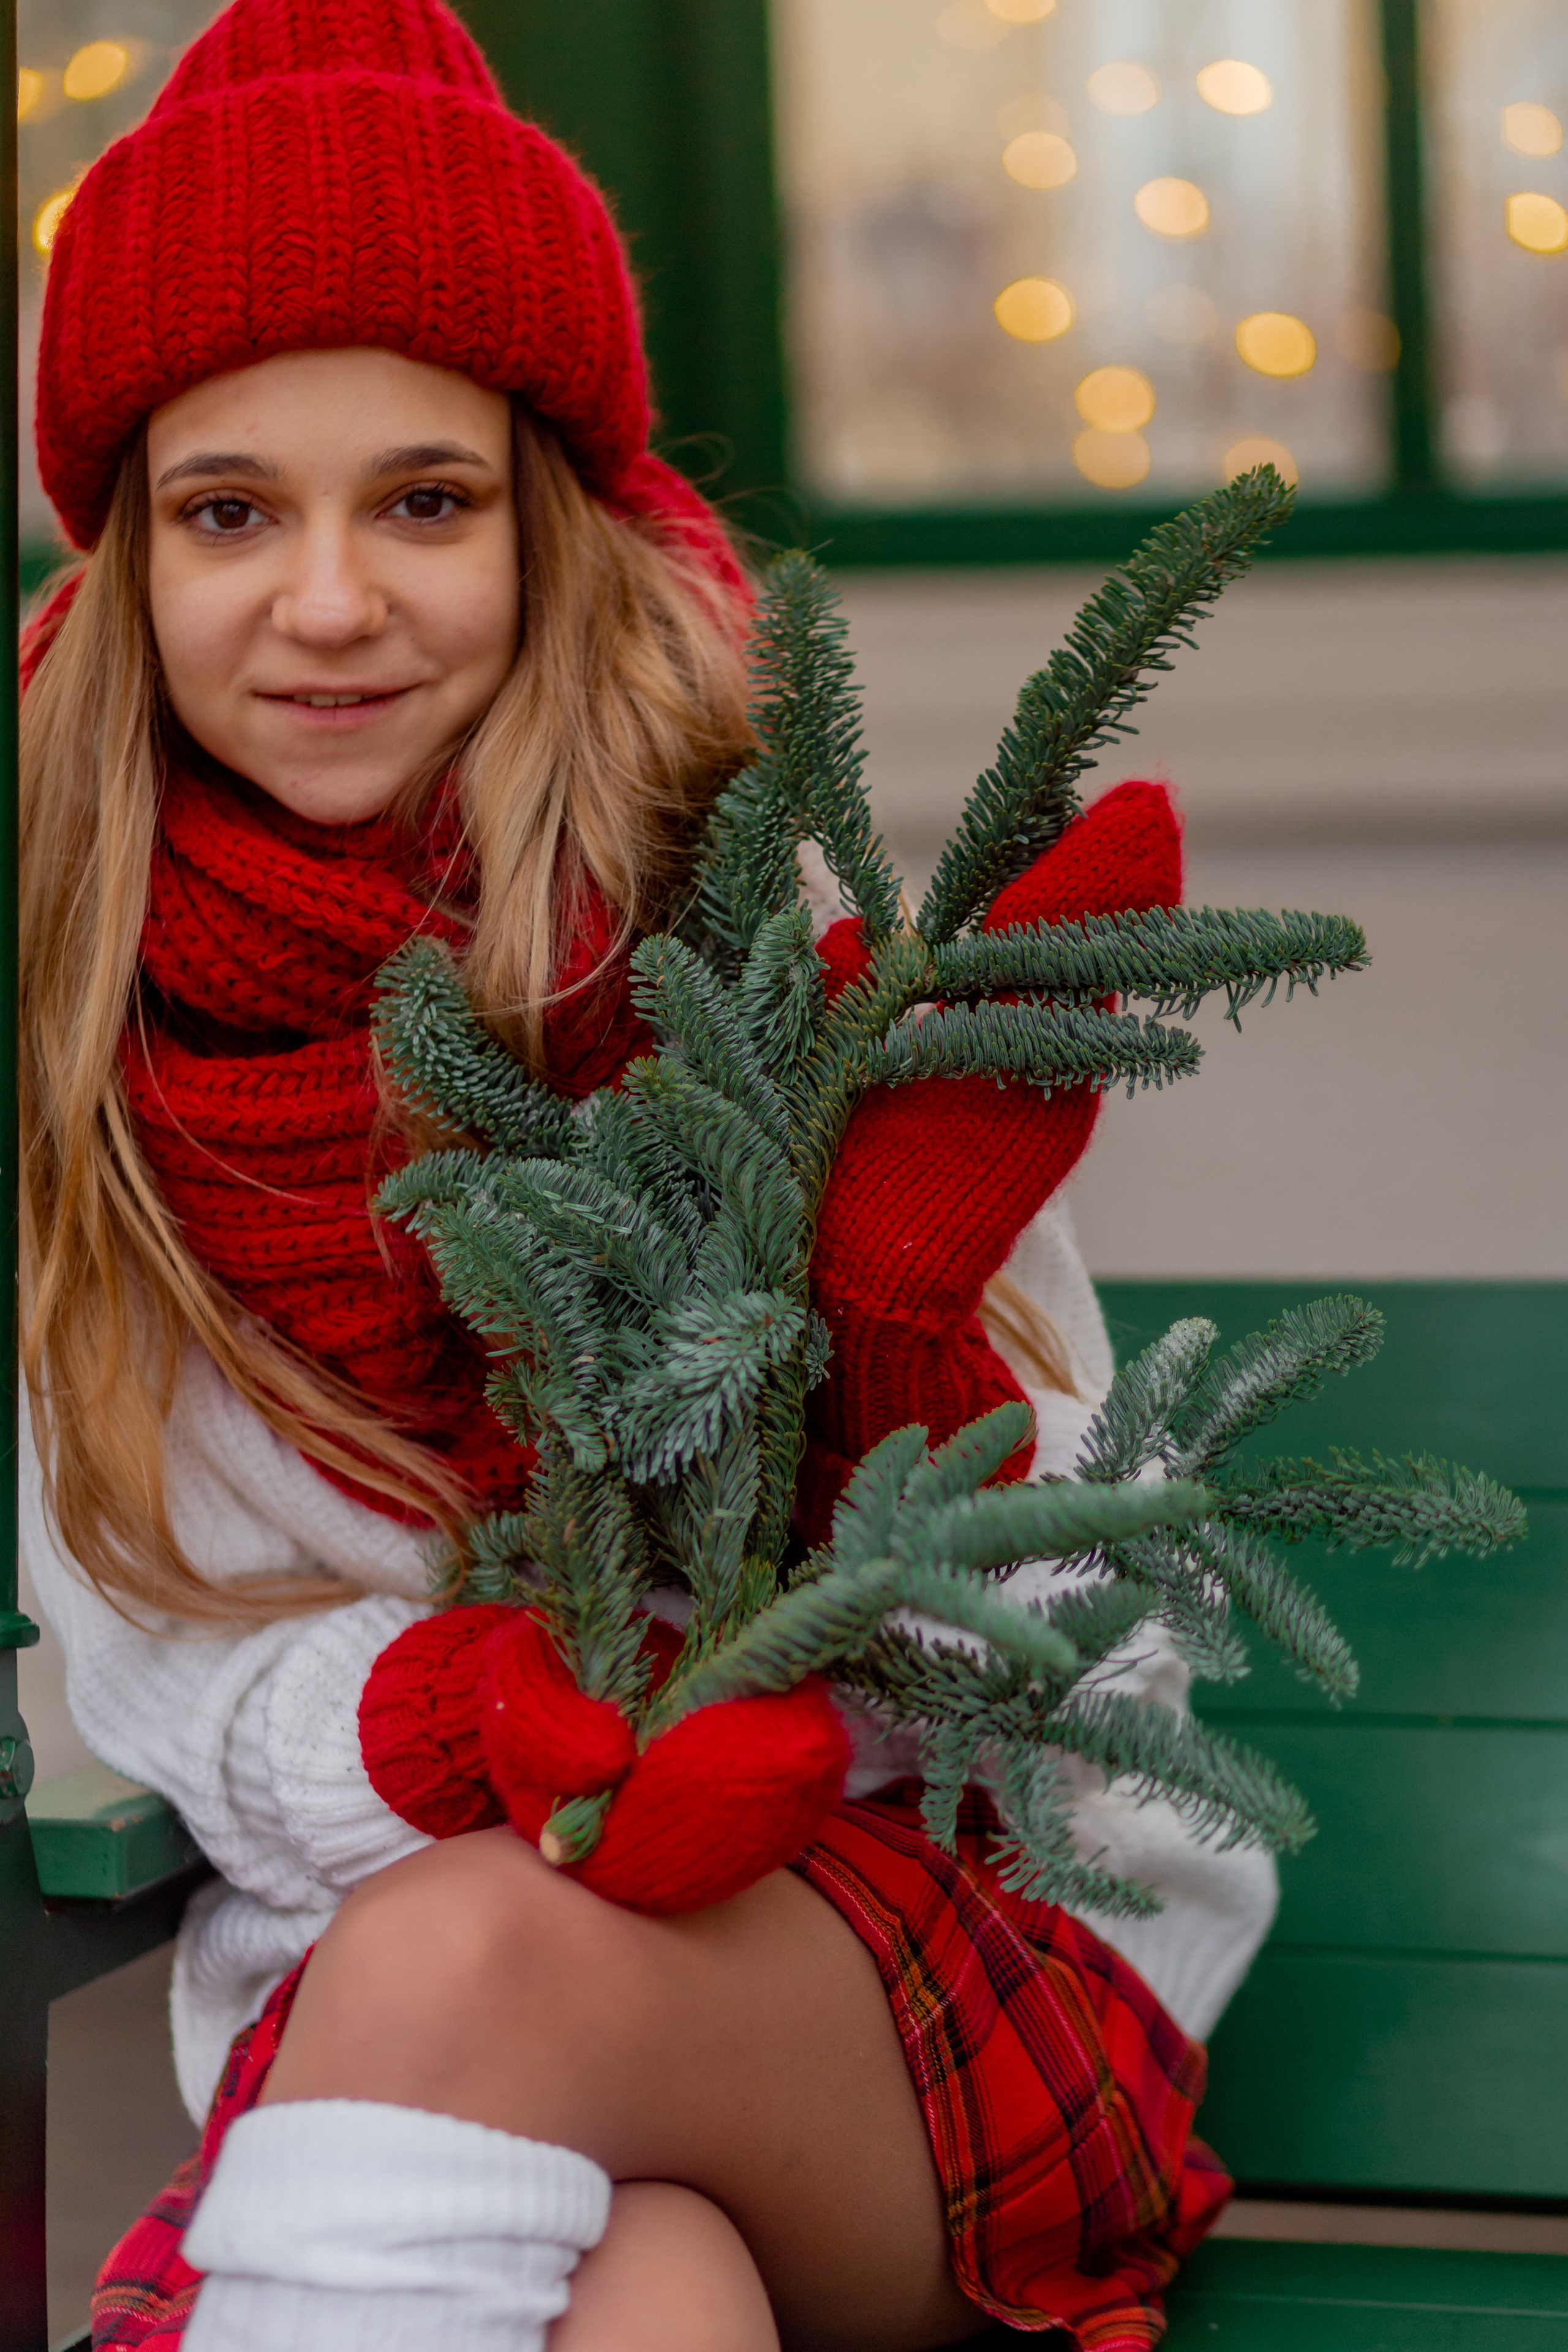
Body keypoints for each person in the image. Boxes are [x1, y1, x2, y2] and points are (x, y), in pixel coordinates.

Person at [19, 2, 1276, 2346]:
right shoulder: (84, 1028)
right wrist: (456, 1711)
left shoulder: (740, 914)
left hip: (930, 1957)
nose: (324, 602)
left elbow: (1089, 1635)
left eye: (422, 498)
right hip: (411, 2033)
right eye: (228, 511)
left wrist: (884, 1400)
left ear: (546, 516)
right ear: (124, 545)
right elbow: (157, 1653)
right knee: (645, 2297)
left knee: (474, 1950)